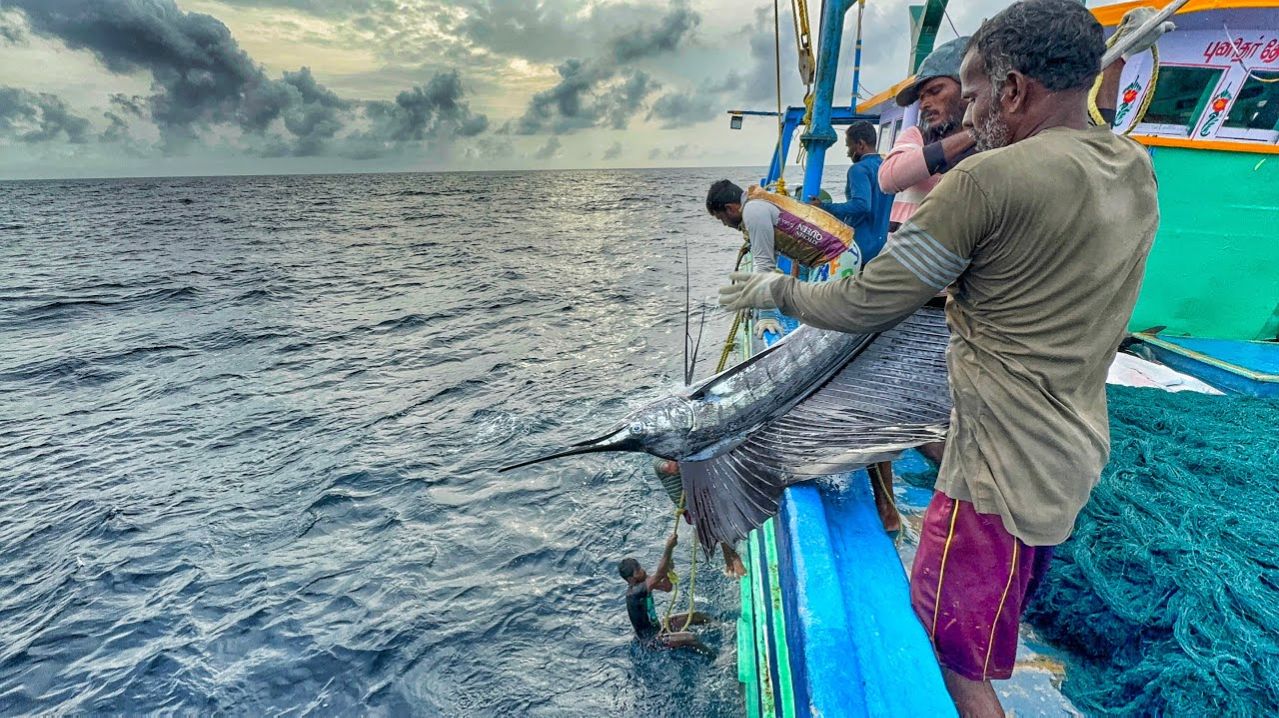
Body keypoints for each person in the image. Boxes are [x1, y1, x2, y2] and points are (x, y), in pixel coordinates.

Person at [718, 1, 1159, 714]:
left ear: (1014, 91)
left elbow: (864, 303)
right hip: (1070, 454)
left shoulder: (986, 182)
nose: (969, 113)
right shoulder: (1133, 170)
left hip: (994, 479)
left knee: (949, 656)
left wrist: (774, 289)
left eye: (978, 94)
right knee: (981, 635)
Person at [811, 120, 894, 261]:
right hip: (881, 247)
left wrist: (824, 206)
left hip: (859, 248)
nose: (848, 153)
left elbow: (861, 205)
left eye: (849, 146)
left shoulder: (858, 169)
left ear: (860, 144)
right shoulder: (887, 167)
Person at [619, 533, 713, 652]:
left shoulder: (643, 581)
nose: (643, 570)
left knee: (695, 615)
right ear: (631, 579)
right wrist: (668, 548)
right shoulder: (635, 592)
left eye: (640, 567)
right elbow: (658, 575)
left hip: (658, 628)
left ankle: (721, 625)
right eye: (638, 570)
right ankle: (716, 659)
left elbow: (667, 587)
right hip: (651, 641)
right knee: (690, 638)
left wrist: (669, 570)